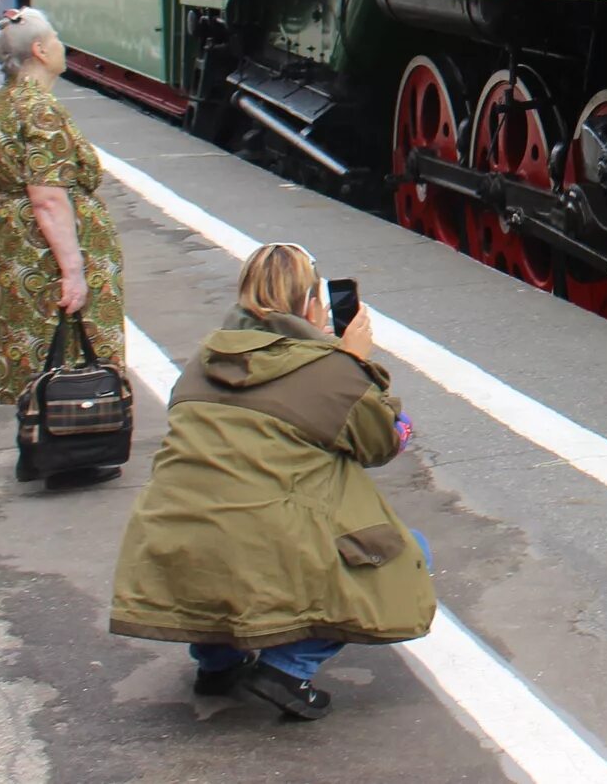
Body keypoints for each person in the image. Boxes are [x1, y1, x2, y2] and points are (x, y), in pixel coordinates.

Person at [110, 242, 434, 720]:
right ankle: (286, 669)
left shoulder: (203, 360)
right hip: (262, 546)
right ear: (308, 305)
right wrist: (355, 363)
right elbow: (381, 443)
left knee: (219, 536)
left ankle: (217, 662)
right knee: (408, 550)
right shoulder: (330, 370)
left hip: (170, 539)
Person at [0, 9, 123, 476]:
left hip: (15, 243)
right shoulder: (40, 109)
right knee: (74, 343)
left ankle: (34, 444)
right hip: (49, 247)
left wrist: (1, 249)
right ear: (39, 50)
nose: (61, 44)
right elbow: (48, 198)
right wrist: (72, 269)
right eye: (55, 37)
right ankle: (74, 454)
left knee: (33, 346)